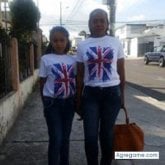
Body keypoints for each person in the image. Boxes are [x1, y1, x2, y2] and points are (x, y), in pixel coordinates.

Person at [76, 8, 125, 165]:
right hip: (90, 94)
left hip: (112, 93)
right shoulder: (82, 45)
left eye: (102, 20)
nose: (98, 24)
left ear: (107, 23)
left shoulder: (115, 42)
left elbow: (121, 71)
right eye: (94, 21)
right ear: (90, 24)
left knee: (106, 134)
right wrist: (78, 99)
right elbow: (80, 75)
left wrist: (122, 97)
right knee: (90, 136)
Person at [38, 26, 76, 165]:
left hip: (69, 103)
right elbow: (41, 83)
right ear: (51, 42)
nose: (59, 43)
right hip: (52, 103)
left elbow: (76, 81)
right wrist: (45, 103)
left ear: (67, 41)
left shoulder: (73, 60)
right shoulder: (45, 59)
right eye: (55, 40)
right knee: (56, 138)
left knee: (65, 138)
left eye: (62, 40)